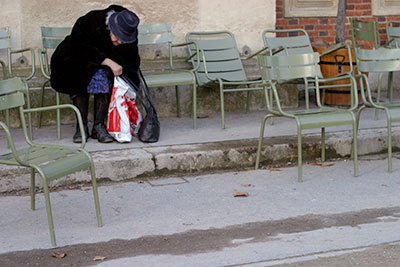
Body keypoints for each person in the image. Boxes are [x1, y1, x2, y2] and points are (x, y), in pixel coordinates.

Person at [50, 5, 141, 143]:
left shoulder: (129, 33)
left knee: (102, 77)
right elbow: (77, 46)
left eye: (124, 39)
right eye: (118, 37)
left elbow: (131, 62)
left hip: (100, 68)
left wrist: (128, 81)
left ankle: (98, 126)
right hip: (74, 58)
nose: (121, 42)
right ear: (111, 27)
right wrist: (107, 61)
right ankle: (81, 126)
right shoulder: (91, 20)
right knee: (77, 74)